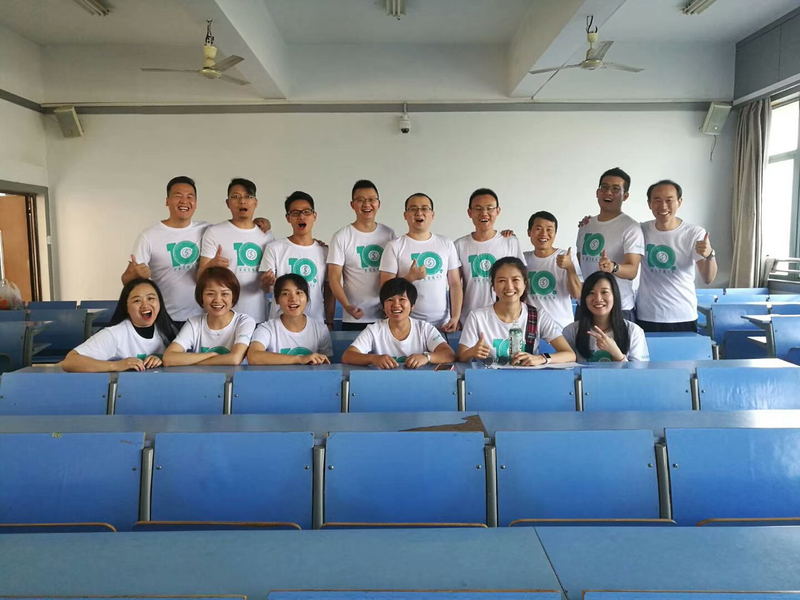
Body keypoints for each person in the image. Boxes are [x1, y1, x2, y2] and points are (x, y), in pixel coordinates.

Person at [457, 257, 575, 365]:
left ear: (525, 283)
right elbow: (461, 356)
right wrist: (472, 352)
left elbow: (570, 355)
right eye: (502, 281)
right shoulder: (477, 317)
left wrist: (541, 358)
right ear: (493, 286)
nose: (509, 287)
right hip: (489, 379)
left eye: (515, 280)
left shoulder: (538, 316)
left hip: (526, 378)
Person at [121, 176, 208, 322]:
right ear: (167, 201)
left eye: (190, 197)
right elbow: (125, 279)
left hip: (203, 319)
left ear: (196, 203)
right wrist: (136, 274)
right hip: (166, 318)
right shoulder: (149, 236)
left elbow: (234, 230)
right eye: (178, 196)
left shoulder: (207, 230)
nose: (184, 201)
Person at [636, 179, 718, 332]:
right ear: (649, 204)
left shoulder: (694, 233)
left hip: (682, 314)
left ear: (679, 202)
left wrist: (709, 255)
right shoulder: (641, 230)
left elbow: (708, 278)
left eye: (669, 200)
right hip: (647, 314)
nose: (663, 206)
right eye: (657, 200)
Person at [379, 193, 462, 332]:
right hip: (408, 324)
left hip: (443, 324)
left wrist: (455, 317)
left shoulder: (446, 243)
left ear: (432, 214)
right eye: (413, 209)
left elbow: (455, 284)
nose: (419, 213)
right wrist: (409, 278)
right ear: (405, 215)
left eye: (424, 208)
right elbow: (385, 289)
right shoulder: (394, 246)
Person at [61, 278, 178, 372]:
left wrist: (162, 359)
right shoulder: (114, 334)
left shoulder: (167, 329)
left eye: (151, 298)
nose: (145, 305)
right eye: (137, 300)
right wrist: (116, 365)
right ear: (126, 307)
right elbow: (70, 362)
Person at [199, 178, 275, 323]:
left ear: (255, 202)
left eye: (248, 196)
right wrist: (211, 266)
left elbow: (270, 285)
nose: (242, 201)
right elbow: (199, 277)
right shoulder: (214, 232)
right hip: (223, 317)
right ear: (228, 203)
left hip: (258, 316)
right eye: (235, 196)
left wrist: (268, 283)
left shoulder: (267, 236)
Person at [576, 167, 645, 321]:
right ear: (597, 192)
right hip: (587, 304)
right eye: (604, 187)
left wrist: (613, 267)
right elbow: (581, 261)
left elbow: (632, 271)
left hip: (618, 308)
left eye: (615, 189)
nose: (608, 192)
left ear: (625, 196)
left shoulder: (631, 227)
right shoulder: (586, 225)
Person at [327, 180, 396, 331]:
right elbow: (334, 278)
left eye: (371, 199)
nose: (366, 204)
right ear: (352, 205)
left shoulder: (389, 234)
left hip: (385, 316)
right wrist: (347, 306)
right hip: (354, 316)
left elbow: (394, 275)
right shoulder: (342, 236)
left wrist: (390, 305)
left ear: (378, 203)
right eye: (360, 200)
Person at [342, 277, 455, 369]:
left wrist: (427, 357)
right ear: (383, 307)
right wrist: (374, 359)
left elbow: (449, 354)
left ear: (412, 306)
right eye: (390, 300)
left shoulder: (425, 329)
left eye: (402, 299)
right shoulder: (374, 330)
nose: (396, 305)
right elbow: (348, 356)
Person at [260, 191, 332, 326]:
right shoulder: (274, 248)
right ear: (288, 218)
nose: (301, 217)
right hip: (280, 325)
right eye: (295, 213)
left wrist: (329, 322)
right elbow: (266, 288)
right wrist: (266, 283)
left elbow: (329, 291)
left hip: (315, 325)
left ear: (314, 216)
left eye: (306, 212)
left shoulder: (326, 252)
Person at [162, 267, 255, 366]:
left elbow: (235, 359)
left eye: (224, 294)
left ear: (233, 297)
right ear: (201, 297)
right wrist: (210, 355)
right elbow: (169, 358)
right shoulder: (194, 323)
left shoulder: (244, 321)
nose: (217, 300)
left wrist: (192, 362)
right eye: (210, 294)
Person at [455, 188, 525, 318]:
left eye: (489, 208)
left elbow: (521, 280)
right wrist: (455, 316)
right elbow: (455, 284)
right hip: (469, 316)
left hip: (505, 316)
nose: (484, 213)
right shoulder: (459, 245)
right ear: (470, 212)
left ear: (498, 211)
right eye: (478, 208)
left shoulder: (510, 241)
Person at [562, 271, 649, 362]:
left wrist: (617, 354)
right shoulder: (571, 331)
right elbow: (566, 368)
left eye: (604, 292)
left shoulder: (634, 331)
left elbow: (639, 370)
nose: (598, 299)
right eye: (591, 293)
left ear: (614, 295)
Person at [247, 273, 332, 365]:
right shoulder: (266, 329)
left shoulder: (320, 329)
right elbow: (253, 357)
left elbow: (326, 364)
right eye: (285, 294)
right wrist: (300, 359)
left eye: (299, 292)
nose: (293, 299)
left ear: (307, 298)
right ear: (277, 300)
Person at [525, 210, 582, 330]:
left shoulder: (567, 257)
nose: (544, 234)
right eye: (538, 229)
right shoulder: (523, 259)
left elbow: (577, 294)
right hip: (532, 328)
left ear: (555, 233)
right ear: (529, 232)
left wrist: (570, 267)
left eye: (549, 229)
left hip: (562, 329)